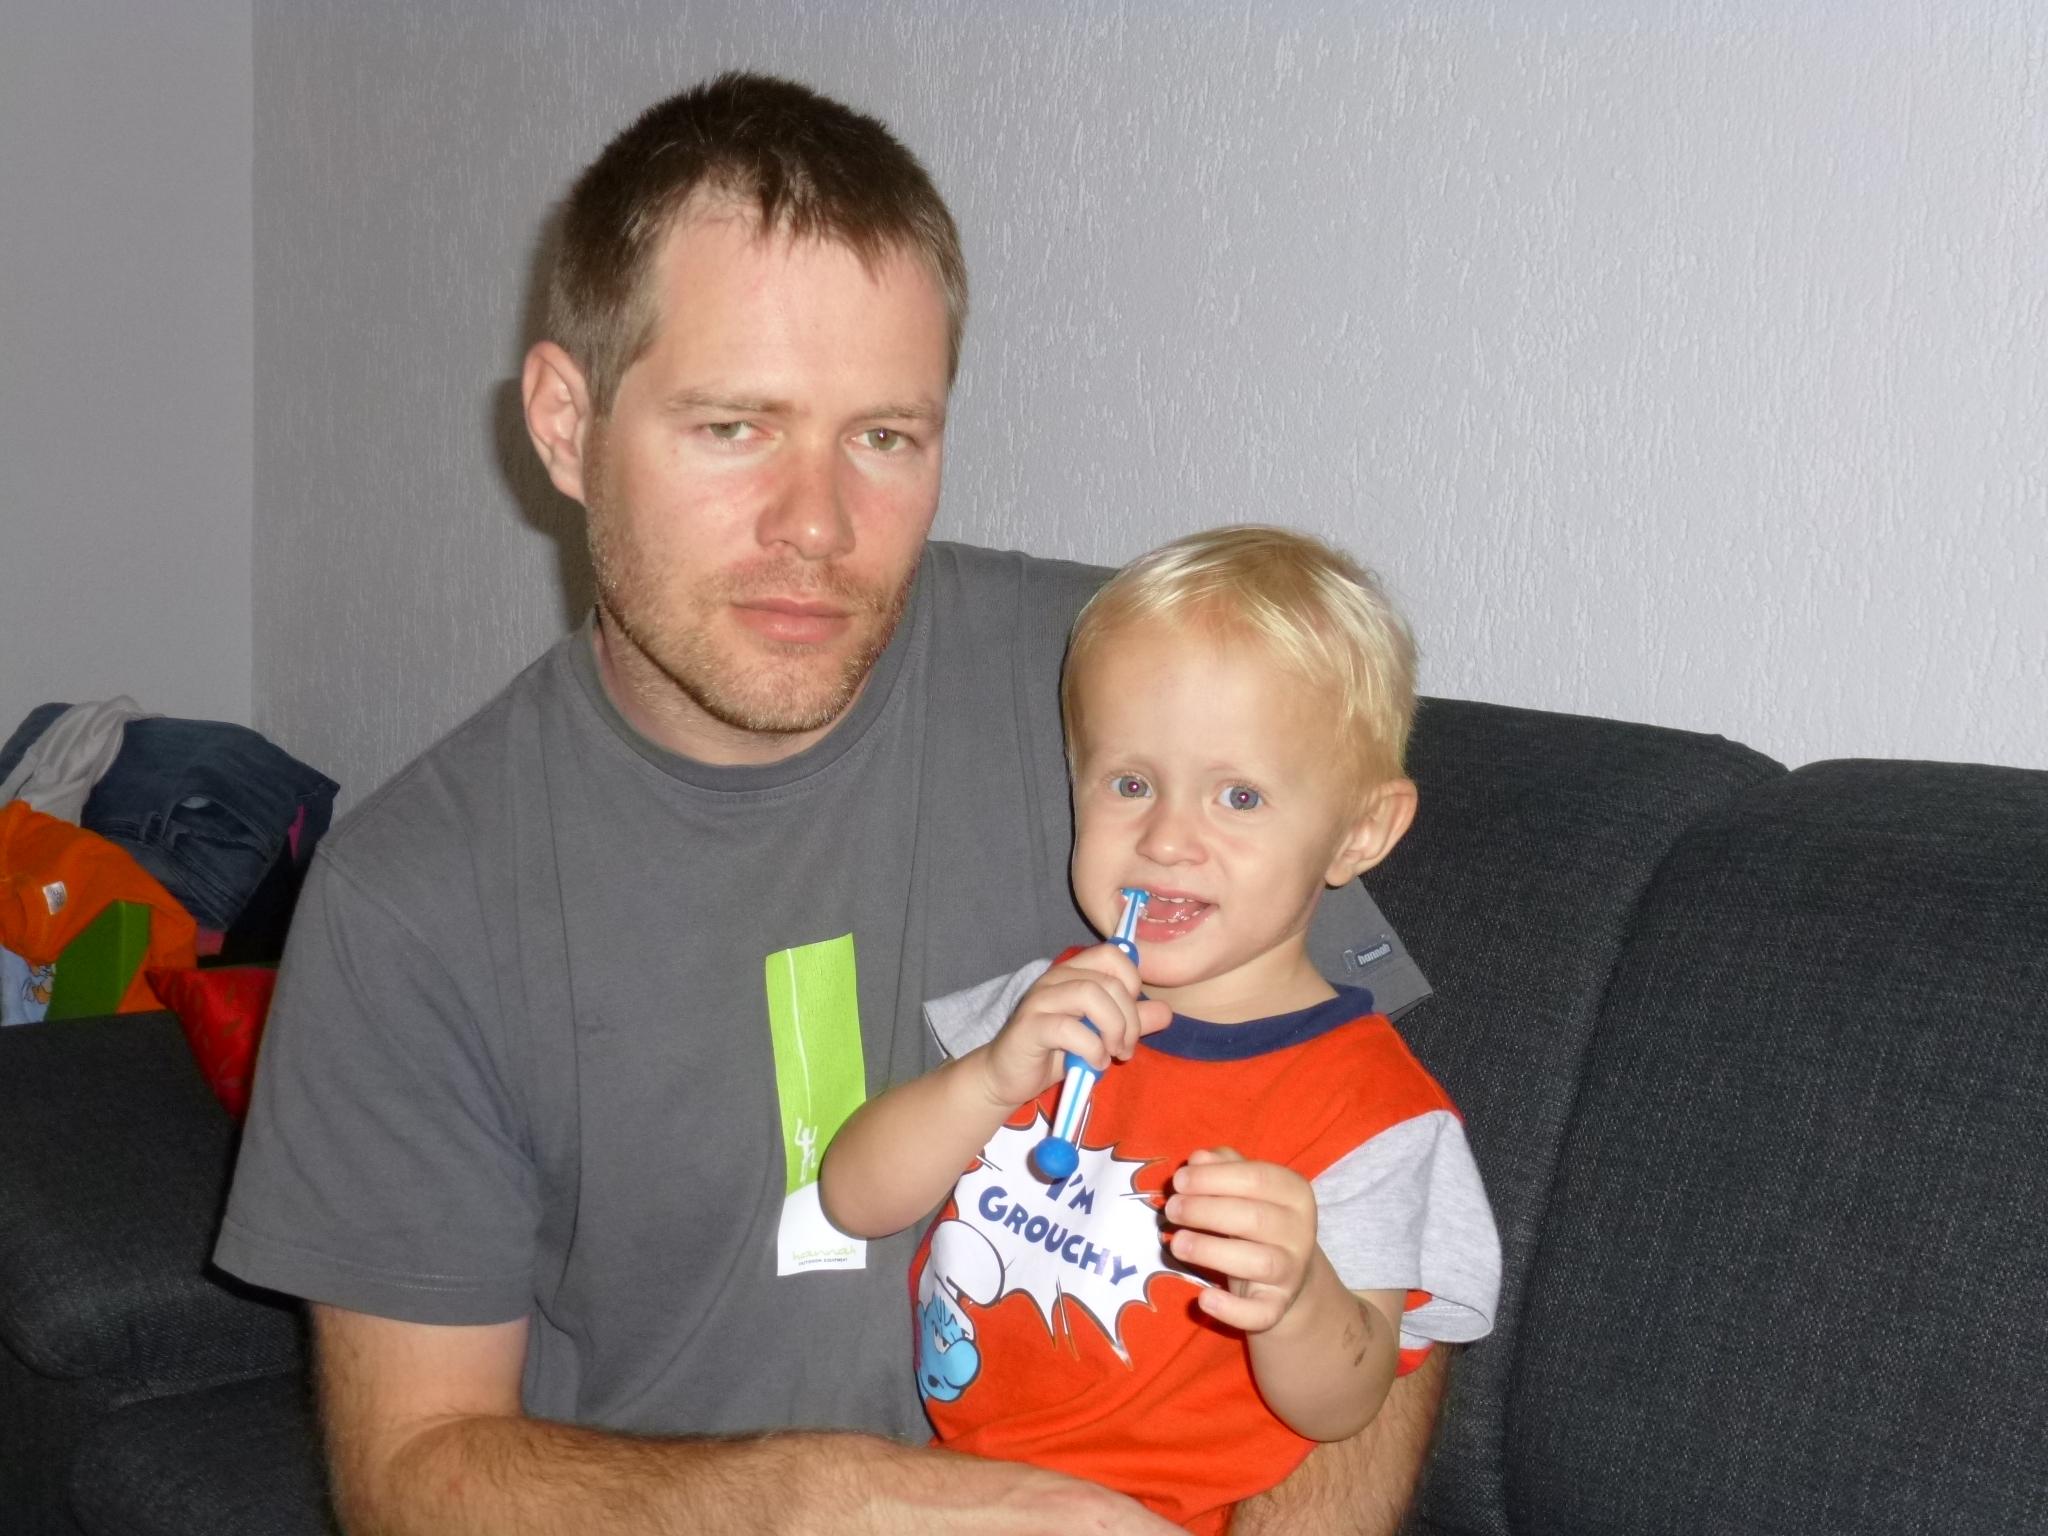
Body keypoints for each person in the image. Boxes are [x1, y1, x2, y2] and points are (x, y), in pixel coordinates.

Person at [215, 73, 1448, 1534]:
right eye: (735, 426)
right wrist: (830, 1501)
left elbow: (1389, 1222)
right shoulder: (411, 900)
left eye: (884, 438)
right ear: (564, 422)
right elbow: (414, 1476)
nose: (815, 526)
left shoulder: (1134, 696)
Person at [821, 527, 1499, 1533]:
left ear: (1358, 832)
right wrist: (988, 1078)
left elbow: (1342, 1405)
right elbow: (853, 1198)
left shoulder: (1376, 1119)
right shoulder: (1045, 1005)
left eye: (1239, 796)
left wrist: (1297, 1295)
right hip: (951, 1488)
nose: (1168, 839)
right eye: (1129, 784)